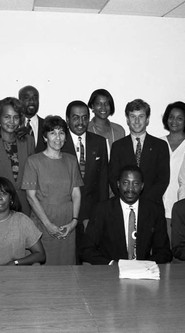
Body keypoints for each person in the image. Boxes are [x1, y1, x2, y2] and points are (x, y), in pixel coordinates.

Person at [22, 116, 83, 265]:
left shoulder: (71, 160)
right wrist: (48, 225)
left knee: (67, 266)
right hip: (43, 221)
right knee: (44, 269)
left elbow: (76, 193)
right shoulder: (33, 161)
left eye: (61, 133)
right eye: (52, 133)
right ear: (44, 137)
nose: (58, 137)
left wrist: (74, 222)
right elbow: (30, 196)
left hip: (67, 222)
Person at [81, 165, 172, 264]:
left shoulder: (154, 211)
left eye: (135, 184)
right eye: (125, 183)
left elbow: (164, 251)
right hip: (111, 271)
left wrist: (145, 265)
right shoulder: (102, 210)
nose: (130, 189)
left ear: (142, 186)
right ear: (118, 184)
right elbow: (86, 249)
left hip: (143, 272)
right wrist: (110, 263)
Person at [62, 100, 109, 262]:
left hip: (91, 212)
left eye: (84, 117)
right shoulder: (58, 142)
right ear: (67, 119)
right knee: (69, 258)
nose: (80, 122)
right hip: (65, 212)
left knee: (90, 257)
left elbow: (103, 181)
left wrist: (101, 213)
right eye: (75, 117)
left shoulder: (99, 142)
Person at [109, 99, 170, 205]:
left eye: (141, 116)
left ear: (147, 120)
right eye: (133, 116)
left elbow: (163, 180)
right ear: (127, 120)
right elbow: (113, 179)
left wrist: (143, 202)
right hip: (124, 205)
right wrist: (128, 201)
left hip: (152, 205)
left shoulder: (160, 146)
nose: (137, 121)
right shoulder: (117, 146)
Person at [160, 101, 185, 238]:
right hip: (160, 207)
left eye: (179, 118)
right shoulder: (158, 143)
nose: (174, 121)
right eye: (171, 117)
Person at [18, 85, 46, 153]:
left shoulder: (46, 125)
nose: (32, 101)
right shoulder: (12, 125)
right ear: (20, 101)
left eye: (35, 98)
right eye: (27, 98)